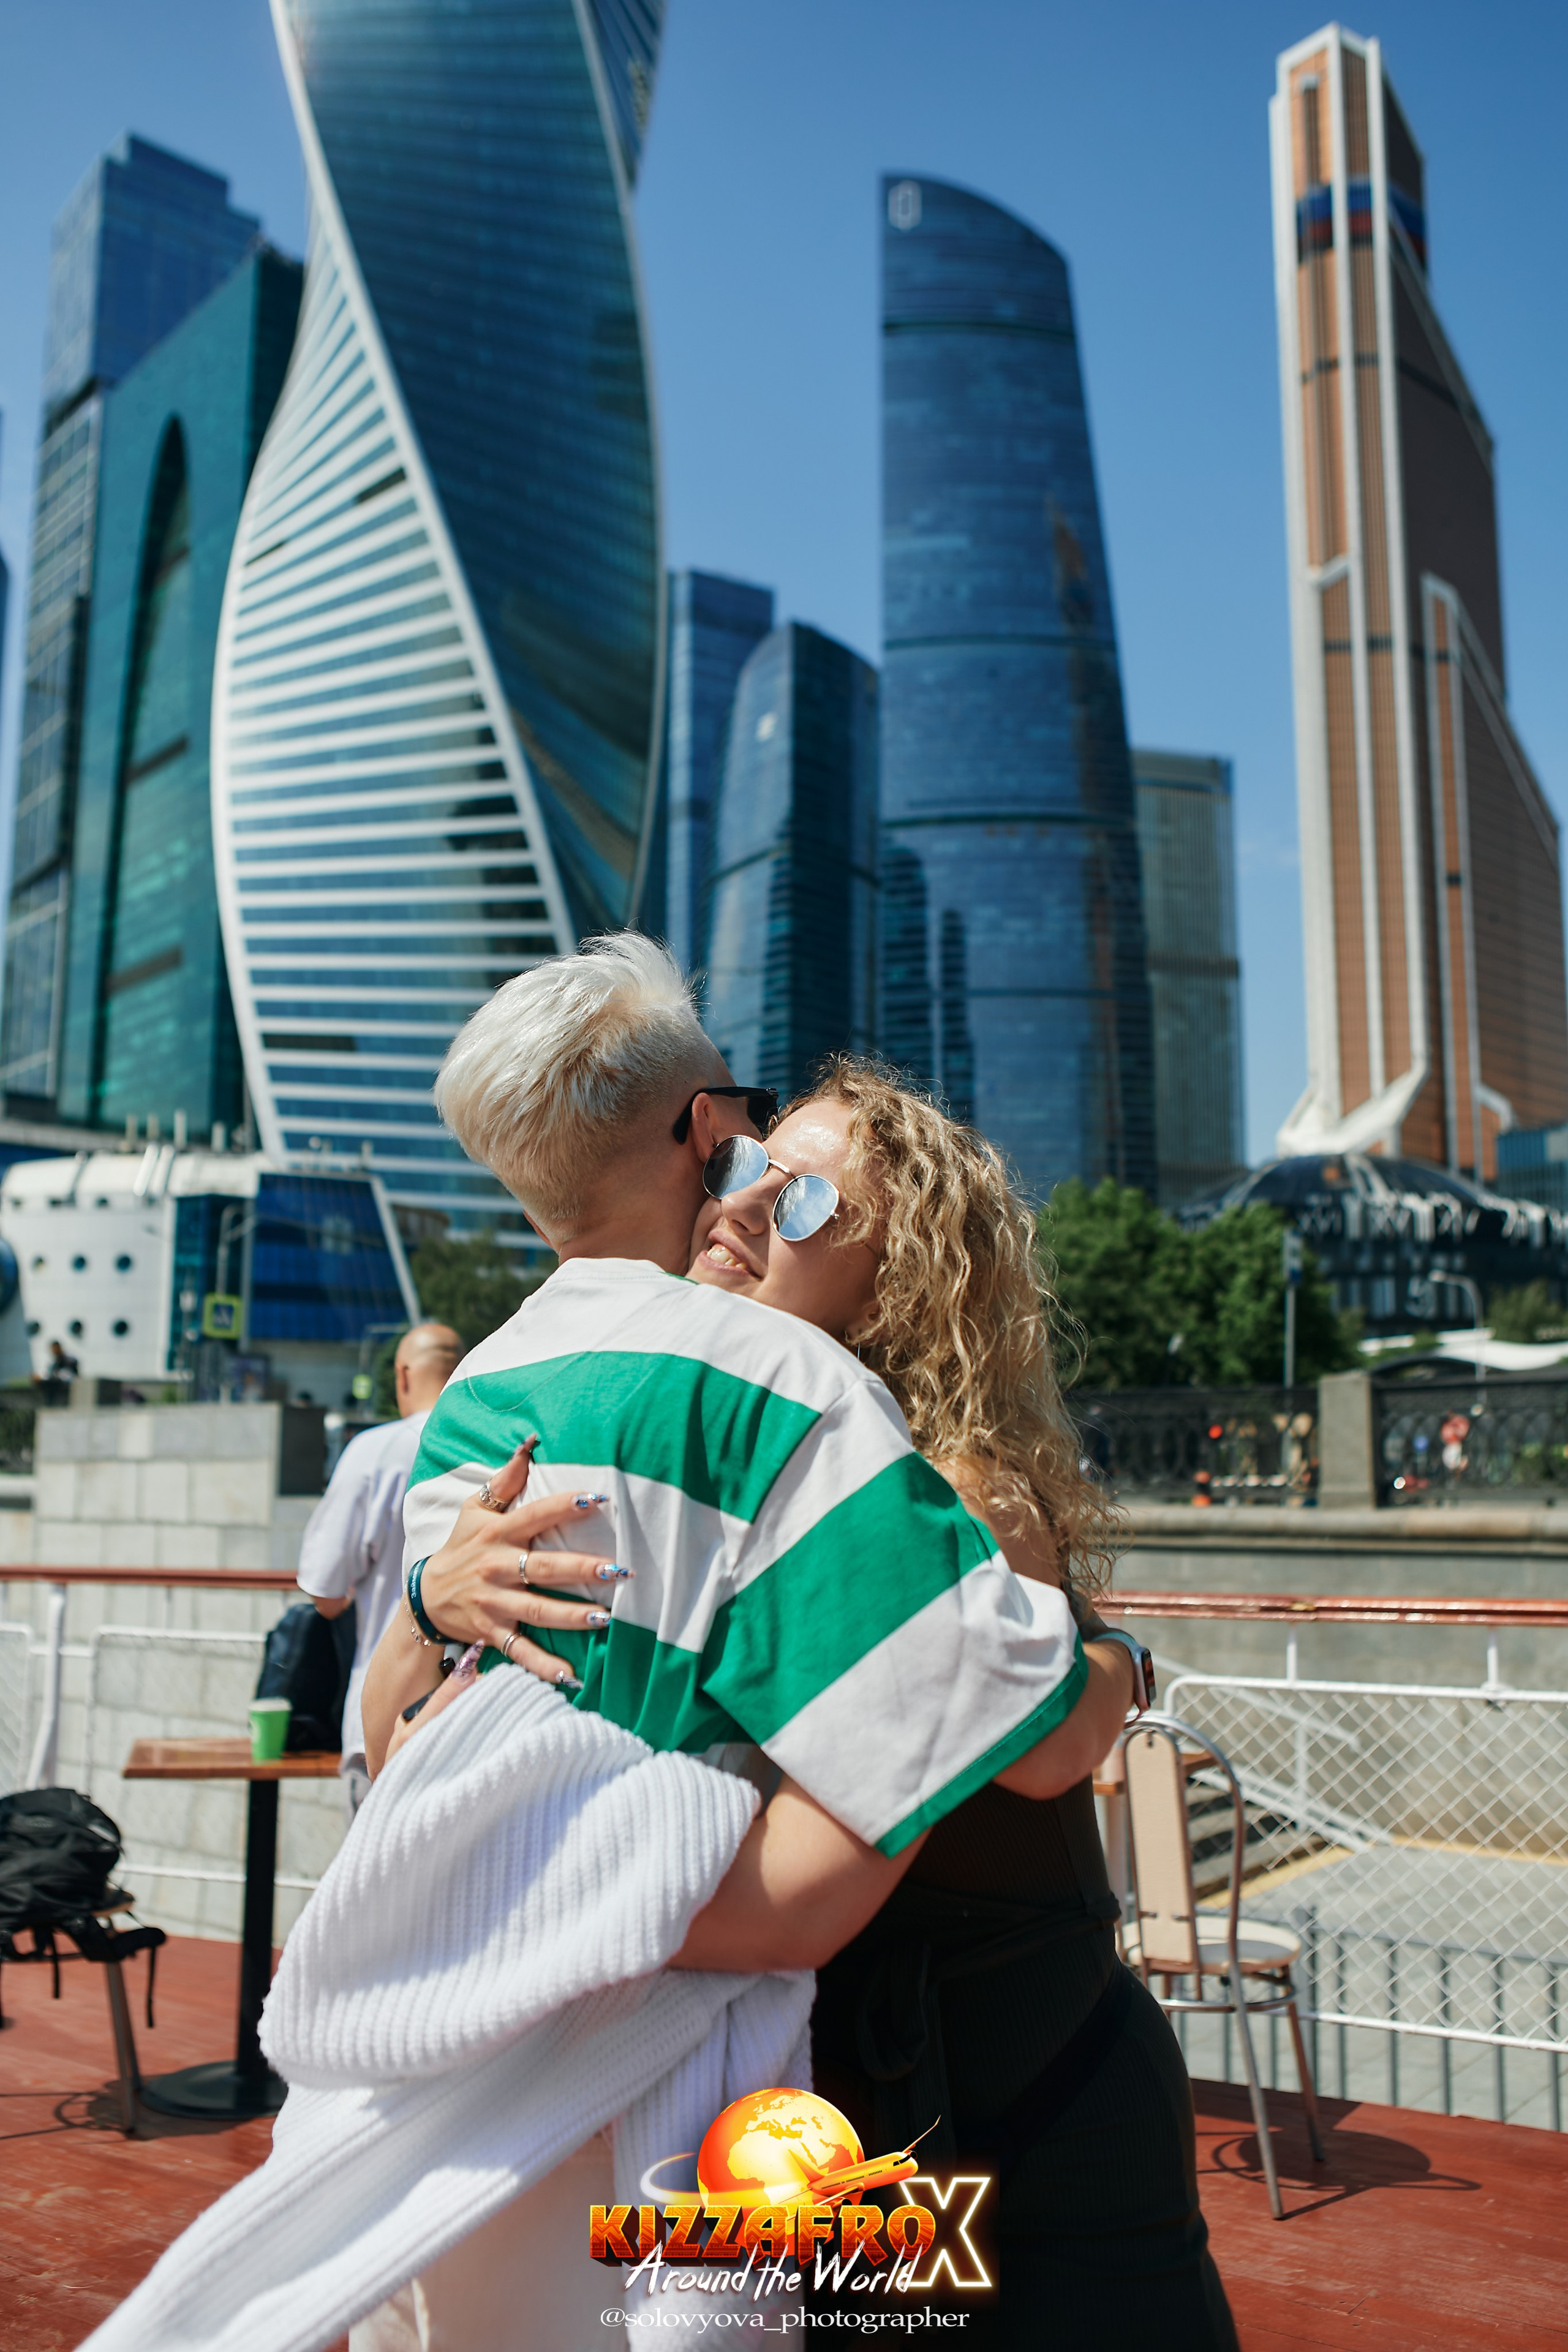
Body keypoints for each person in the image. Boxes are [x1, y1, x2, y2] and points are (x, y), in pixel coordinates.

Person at [353, 937, 1140, 2347]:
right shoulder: (670, 1433)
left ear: (904, 1275)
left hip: (971, 2085)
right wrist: (427, 1603)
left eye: (813, 1191)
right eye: (750, 1160)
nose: (751, 1199)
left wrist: (1113, 1666)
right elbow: (399, 1738)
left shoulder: (949, 1489)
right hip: (796, 2082)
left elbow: (1038, 1755)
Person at [298, 1322, 463, 1812]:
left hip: (384, 1718)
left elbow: (325, 1592)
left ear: (402, 1375)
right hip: (474, 1714)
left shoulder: (375, 1451)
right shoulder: (500, 1444)